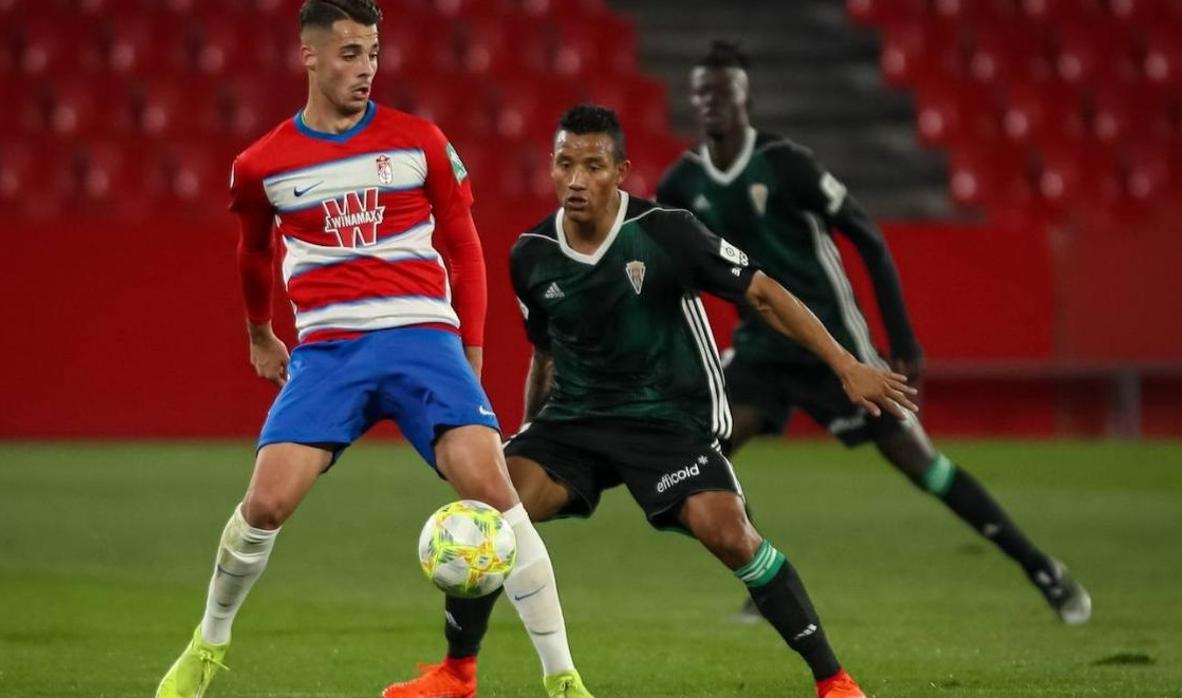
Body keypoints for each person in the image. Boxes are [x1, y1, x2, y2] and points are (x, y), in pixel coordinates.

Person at [386, 104, 920, 698]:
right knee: (489, 513)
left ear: (621, 171)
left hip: (667, 418)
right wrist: (528, 431)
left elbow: (764, 295)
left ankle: (834, 679)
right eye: (566, 165)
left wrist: (847, 365)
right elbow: (547, 353)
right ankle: (457, 674)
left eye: (593, 166)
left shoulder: (668, 232)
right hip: (576, 421)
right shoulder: (530, 254)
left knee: (729, 533)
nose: (577, 179)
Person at [154, 2, 591, 696]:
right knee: (265, 503)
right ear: (310, 56)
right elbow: (253, 253)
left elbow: (465, 248)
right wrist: (259, 333)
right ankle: (209, 643)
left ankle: (563, 678)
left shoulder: (419, 141)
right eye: (351, 54)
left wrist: (469, 350)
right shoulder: (261, 165)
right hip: (329, 352)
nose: (366, 69)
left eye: (374, 53)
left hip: (423, 339)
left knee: (495, 495)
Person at [654, 40, 1091, 625]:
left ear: (746, 97)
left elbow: (866, 234)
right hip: (762, 350)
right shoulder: (682, 185)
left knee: (922, 464)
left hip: (838, 348)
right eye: (703, 92)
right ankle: (766, 579)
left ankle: (1043, 569)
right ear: (693, 100)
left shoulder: (787, 164)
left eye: (725, 91)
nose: (713, 102)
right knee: (703, 449)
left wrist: (902, 339)